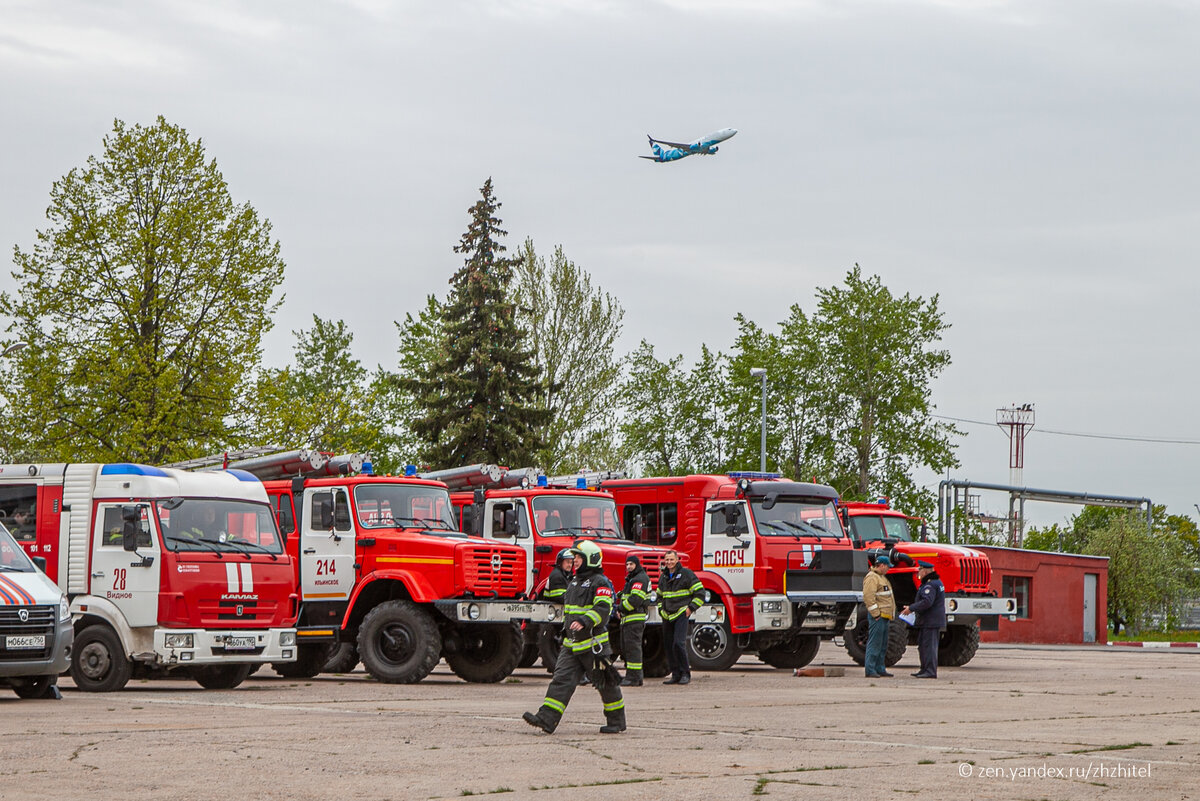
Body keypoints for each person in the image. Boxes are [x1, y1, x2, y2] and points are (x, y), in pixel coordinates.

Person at [523, 541, 626, 735]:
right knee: (561, 680)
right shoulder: (575, 581)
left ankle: (617, 721)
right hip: (571, 645)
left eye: (578, 558)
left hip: (593, 645)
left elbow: (603, 609)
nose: (574, 561)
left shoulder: (600, 582)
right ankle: (547, 719)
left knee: (605, 684)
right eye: (574, 558)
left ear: (590, 559)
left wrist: (585, 621)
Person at [657, 549, 704, 685]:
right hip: (667, 615)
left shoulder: (687, 574)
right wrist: (661, 609)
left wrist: (691, 608)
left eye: (672, 560)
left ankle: (685, 673)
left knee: (679, 643)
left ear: (677, 560)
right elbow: (659, 595)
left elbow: (700, 593)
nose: (669, 562)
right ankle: (675, 674)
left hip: (681, 614)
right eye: (667, 560)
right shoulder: (664, 576)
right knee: (669, 645)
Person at [902, 560, 946, 679]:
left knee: (929, 646)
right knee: (923, 645)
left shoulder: (930, 585)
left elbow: (927, 602)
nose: (918, 572)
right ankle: (924, 669)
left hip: (930, 621)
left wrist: (911, 608)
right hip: (929, 621)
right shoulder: (935, 582)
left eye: (920, 570)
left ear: (925, 571)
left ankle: (930, 671)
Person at [618, 555, 650, 686]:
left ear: (637, 564)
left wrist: (620, 608)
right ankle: (633, 676)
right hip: (629, 619)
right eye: (627, 564)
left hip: (634, 619)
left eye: (631, 564)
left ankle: (634, 678)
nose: (628, 567)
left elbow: (635, 599)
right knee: (628, 649)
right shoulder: (633, 578)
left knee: (633, 649)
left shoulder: (639, 579)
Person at [862, 555, 895, 678]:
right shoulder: (872, 578)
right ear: (881, 565)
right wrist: (875, 614)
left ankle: (880, 668)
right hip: (878, 617)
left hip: (885, 616)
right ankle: (870, 669)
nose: (888, 569)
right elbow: (868, 597)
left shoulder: (881, 577)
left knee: (882, 645)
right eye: (887, 567)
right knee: (875, 644)